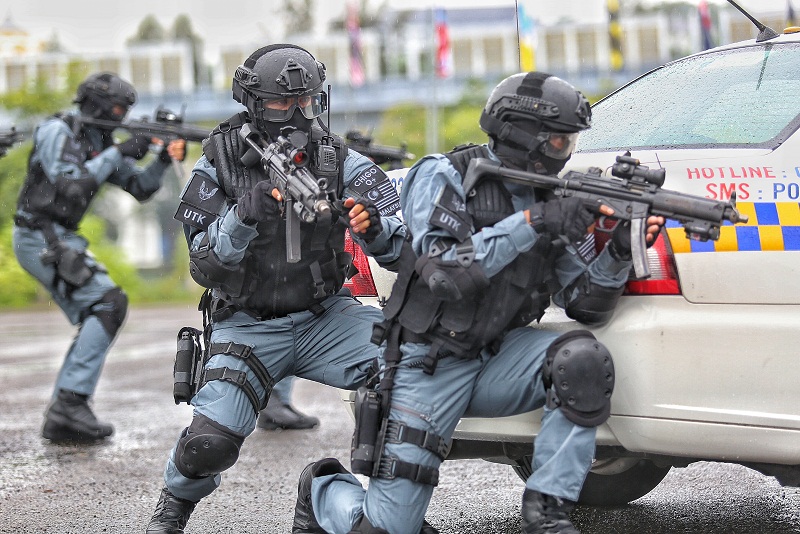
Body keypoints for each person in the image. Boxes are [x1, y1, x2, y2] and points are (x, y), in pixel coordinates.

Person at [295, 72, 665, 534]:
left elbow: (585, 305)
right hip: (426, 363)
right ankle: (325, 492)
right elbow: (446, 273)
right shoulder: (442, 176)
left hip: (498, 359)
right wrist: (533, 221)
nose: (566, 152)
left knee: (583, 360)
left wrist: (614, 254)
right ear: (521, 134)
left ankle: (547, 512)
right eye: (558, 142)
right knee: (388, 530)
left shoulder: (550, 199)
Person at [144, 44, 410, 534]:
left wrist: (373, 229)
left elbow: (402, 250)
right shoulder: (218, 163)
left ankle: (379, 514)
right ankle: (170, 512)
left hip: (326, 316)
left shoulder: (339, 159)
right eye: (281, 105)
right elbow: (203, 264)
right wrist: (242, 217)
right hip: (247, 324)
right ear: (252, 104)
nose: (297, 114)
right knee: (210, 444)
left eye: (307, 102)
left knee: (410, 375)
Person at [13, 72, 186, 443]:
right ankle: (69, 406)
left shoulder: (97, 138)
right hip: (38, 235)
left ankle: (67, 407)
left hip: (59, 238)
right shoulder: (58, 130)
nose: (122, 117)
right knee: (106, 304)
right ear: (98, 104)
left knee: (104, 307)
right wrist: (120, 149)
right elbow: (69, 182)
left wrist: (159, 156)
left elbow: (139, 187)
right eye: (119, 109)